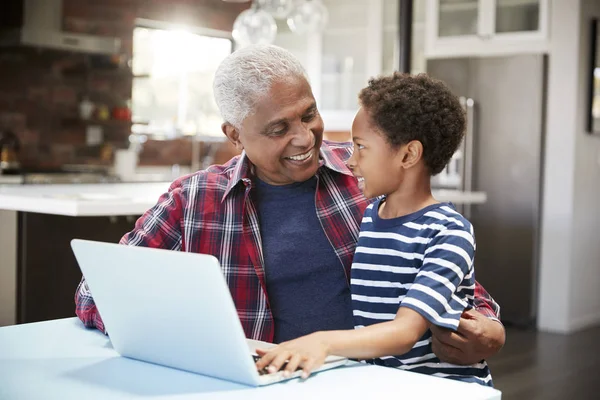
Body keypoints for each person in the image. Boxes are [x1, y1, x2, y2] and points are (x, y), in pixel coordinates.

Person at [75, 45, 505, 366]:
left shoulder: (368, 178)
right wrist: (178, 335)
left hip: (366, 379)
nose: (304, 137)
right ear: (236, 135)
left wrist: (489, 328)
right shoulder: (192, 201)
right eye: (279, 128)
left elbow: (446, 276)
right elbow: (96, 291)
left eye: (309, 113)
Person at [255, 73, 494, 386]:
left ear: (408, 155)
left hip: (442, 387)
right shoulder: (371, 216)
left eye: (361, 147)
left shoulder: (449, 231)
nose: (351, 162)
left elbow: (404, 333)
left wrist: (321, 342)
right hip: (384, 383)